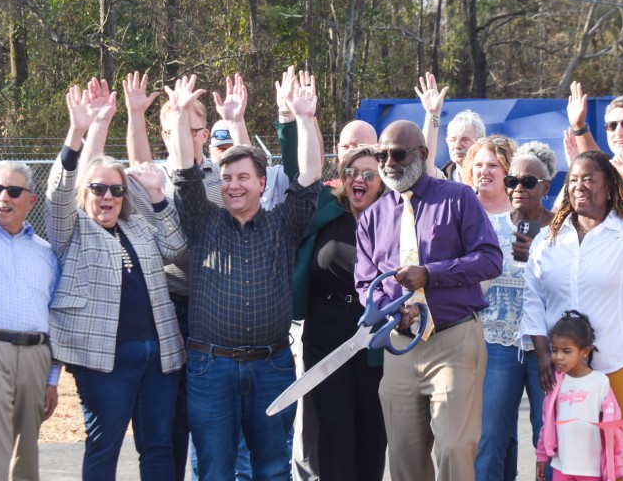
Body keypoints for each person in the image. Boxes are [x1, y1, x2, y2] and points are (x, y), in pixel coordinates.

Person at [169, 72, 322, 480]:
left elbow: (310, 175)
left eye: (242, 177)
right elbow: (184, 171)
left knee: (272, 470)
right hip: (211, 368)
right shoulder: (203, 221)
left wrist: (305, 118)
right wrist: (181, 115)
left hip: (271, 366)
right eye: (226, 178)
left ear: (261, 182)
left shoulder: (283, 223)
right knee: (215, 471)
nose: (233, 186)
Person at [45, 80, 187, 480]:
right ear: (85, 192)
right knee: (104, 445)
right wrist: (78, 133)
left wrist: (156, 196)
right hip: (103, 361)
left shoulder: (138, 227)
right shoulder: (72, 229)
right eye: (98, 188)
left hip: (160, 357)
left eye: (116, 190)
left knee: (158, 447)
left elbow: (177, 247)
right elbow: (58, 194)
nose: (107, 196)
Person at [355, 120, 503, 481]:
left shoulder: (457, 198)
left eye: (397, 154)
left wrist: (431, 274)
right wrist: (392, 310)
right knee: (404, 457)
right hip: (401, 345)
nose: (389, 163)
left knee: (454, 450)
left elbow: (490, 259)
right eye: (381, 156)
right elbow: (365, 284)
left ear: (422, 154)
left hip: (453, 340)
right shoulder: (372, 216)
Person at [521, 147, 623, 455]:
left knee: (614, 457)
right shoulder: (548, 240)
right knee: (573, 457)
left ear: (610, 185)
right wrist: (544, 355)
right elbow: (533, 301)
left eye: (589, 179)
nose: (580, 186)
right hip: (567, 368)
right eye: (574, 180)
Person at [0, 160, 59, 481]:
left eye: (13, 191)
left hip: (35, 359)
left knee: (25, 464)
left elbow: (54, 317)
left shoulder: (46, 252)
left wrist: (52, 378)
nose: (3, 197)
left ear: (31, 201)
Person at [298, 147, 387, 480]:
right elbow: (298, 169)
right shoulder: (326, 208)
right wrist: (300, 122)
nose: (358, 179)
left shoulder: (393, 217)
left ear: (383, 181)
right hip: (326, 333)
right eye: (351, 172)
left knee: (372, 429)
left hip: (374, 335)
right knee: (334, 427)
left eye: (368, 174)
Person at [470, 139, 556, 481]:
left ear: (545, 187)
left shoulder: (562, 230)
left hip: (548, 349)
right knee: (490, 438)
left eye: (528, 182)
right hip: (497, 344)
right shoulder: (490, 227)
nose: (518, 188)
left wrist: (540, 252)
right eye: (513, 181)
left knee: (548, 438)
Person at [536, 310, 623, 481]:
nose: (558, 357)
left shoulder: (600, 382)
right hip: (561, 466)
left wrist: (621, 465)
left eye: (566, 351)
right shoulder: (555, 382)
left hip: (592, 470)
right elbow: (547, 422)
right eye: (554, 350)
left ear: (585, 351)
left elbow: (615, 428)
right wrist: (542, 455)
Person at [441, 109, 485, 181]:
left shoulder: (492, 179)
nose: (457, 146)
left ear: (480, 142)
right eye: (453, 140)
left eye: (464, 139)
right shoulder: (441, 180)